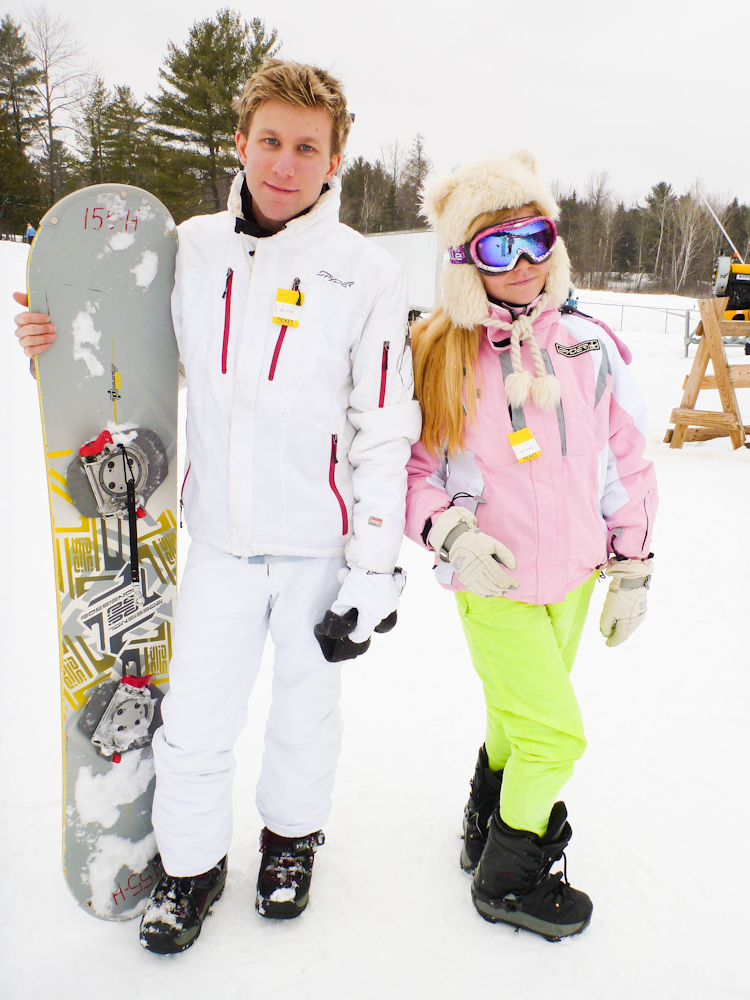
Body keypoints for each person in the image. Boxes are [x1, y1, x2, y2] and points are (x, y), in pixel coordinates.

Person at [13, 59, 421, 954]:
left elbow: (385, 427)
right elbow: (124, 345)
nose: (284, 163)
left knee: (306, 715)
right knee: (193, 718)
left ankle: (289, 842)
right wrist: (54, 334)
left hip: (320, 546)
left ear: (335, 159)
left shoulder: (367, 274)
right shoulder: (188, 248)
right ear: (240, 143)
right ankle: (191, 866)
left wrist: (374, 568)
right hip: (221, 547)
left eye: (306, 147)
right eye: (269, 140)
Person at [404, 150, 657, 941]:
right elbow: (411, 469)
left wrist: (632, 565)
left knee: (517, 718)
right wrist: (451, 532)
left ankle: (488, 818)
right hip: (494, 579)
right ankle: (511, 876)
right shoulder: (441, 350)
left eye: (535, 239)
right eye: (495, 247)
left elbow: (627, 460)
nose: (521, 264)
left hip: (576, 577)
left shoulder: (587, 346)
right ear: (461, 261)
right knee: (556, 734)